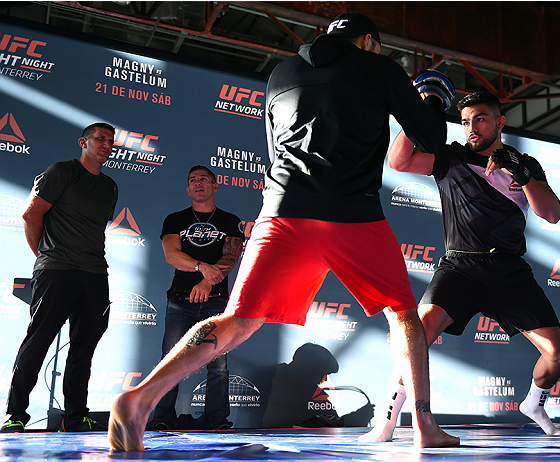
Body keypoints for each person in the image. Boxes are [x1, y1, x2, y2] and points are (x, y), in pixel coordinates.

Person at [108, 12, 459, 450]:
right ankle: (424, 423)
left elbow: (277, 149)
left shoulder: (281, 72)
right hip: (352, 213)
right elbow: (429, 137)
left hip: (283, 210)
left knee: (237, 320)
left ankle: (140, 397)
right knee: (403, 314)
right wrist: (430, 100)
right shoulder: (379, 67)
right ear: (368, 41)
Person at [359, 90, 560, 442]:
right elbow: (398, 162)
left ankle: (534, 404)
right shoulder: (449, 158)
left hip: (509, 270)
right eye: (465, 121)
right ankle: (387, 420)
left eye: (480, 119)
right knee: (418, 335)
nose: (471, 127)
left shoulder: (524, 163)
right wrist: (418, 116)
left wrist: (522, 175)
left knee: (558, 354)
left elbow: (551, 214)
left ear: (500, 122)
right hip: (459, 266)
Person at [1, 123, 118, 433]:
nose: (106, 144)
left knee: (84, 348)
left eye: (110, 141)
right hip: (56, 270)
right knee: (38, 341)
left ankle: (76, 416)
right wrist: (43, 255)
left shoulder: (110, 186)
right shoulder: (62, 171)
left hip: (94, 273)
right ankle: (15, 415)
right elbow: (31, 215)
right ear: (83, 142)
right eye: (100, 139)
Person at [149, 166, 245, 431]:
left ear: (216, 186)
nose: (198, 183)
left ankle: (217, 422)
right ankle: (162, 420)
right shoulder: (175, 219)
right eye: (192, 180)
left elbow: (231, 259)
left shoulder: (229, 221)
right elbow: (172, 256)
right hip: (180, 301)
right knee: (170, 361)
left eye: (204, 179)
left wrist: (205, 281)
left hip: (216, 302)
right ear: (188, 189)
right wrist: (202, 267)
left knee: (218, 365)